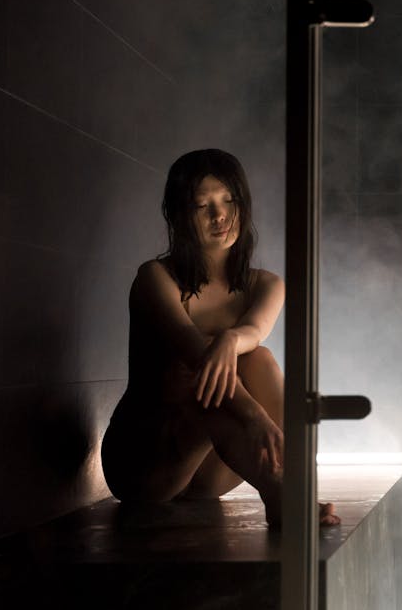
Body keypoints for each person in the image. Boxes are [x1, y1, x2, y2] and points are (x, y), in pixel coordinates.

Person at [101, 149, 338, 528]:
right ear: (181, 215)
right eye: (202, 205)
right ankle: (282, 496)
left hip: (211, 472)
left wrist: (230, 338)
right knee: (199, 379)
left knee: (257, 358)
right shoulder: (155, 278)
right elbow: (196, 354)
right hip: (146, 460)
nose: (220, 216)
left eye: (229, 200)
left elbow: (254, 332)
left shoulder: (265, 284)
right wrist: (255, 416)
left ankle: (293, 488)